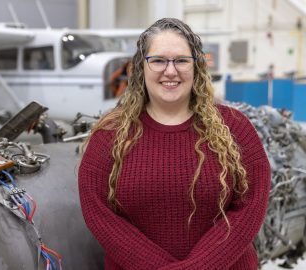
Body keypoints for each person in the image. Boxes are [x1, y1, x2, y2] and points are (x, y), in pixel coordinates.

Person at [78, 18, 271, 270]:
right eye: (158, 60)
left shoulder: (234, 127)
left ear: (196, 67)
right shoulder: (110, 134)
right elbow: (98, 213)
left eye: (181, 60)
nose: (170, 71)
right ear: (140, 67)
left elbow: (249, 207)